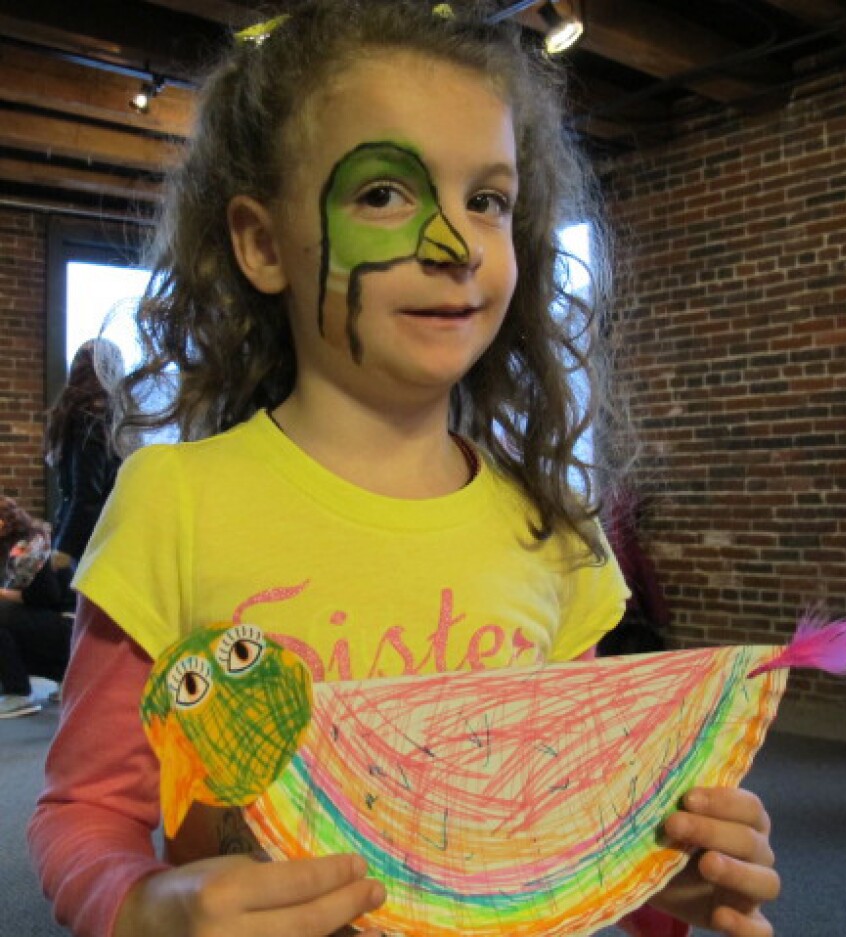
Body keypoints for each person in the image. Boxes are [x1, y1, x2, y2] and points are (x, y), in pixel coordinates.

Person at [28, 3, 779, 937]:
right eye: (384, 195)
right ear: (264, 244)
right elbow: (83, 814)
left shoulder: (551, 529)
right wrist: (142, 908)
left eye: (488, 200)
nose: (455, 244)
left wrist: (659, 871)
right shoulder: (173, 504)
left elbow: (566, 832)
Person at [44, 338, 123, 573]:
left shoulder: (88, 416)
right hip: (109, 532)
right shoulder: (112, 415)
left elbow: (87, 492)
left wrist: (65, 547)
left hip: (92, 537)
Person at [0, 496, 72, 718]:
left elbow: (45, 595)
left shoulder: (29, 547)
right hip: (52, 627)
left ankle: (18, 693)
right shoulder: (10, 548)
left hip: (67, 626)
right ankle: (63, 676)